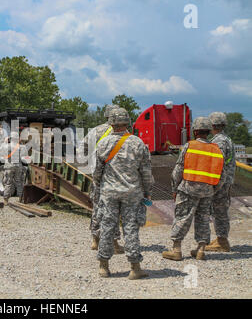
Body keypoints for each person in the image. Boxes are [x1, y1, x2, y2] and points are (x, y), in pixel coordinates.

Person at [93, 108, 153, 279]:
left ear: (111, 123)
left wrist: (99, 187)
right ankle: (135, 268)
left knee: (107, 228)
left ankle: (103, 267)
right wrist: (147, 192)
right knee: (131, 228)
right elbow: (146, 173)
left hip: (109, 193)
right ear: (128, 122)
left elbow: (97, 172)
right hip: (132, 193)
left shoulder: (103, 144)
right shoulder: (138, 143)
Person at [162, 117, 226, 261]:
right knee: (203, 219)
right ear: (209, 132)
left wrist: (175, 189)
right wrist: (213, 189)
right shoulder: (217, 149)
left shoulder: (189, 146)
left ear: (195, 131)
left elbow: (177, 171)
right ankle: (201, 250)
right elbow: (223, 176)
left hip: (188, 189)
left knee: (182, 218)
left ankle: (176, 250)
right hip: (207, 191)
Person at [80, 104, 124, 254]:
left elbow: (82, 148)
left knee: (98, 208)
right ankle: (115, 243)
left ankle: (95, 240)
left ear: (106, 115)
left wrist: (91, 162)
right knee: (115, 210)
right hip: (117, 177)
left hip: (98, 175)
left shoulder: (96, 130)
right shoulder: (124, 133)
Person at [205, 112, 236, 252]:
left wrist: (213, 183)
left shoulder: (219, 141)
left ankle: (222, 242)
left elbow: (218, 162)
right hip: (224, 180)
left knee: (220, 210)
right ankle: (220, 238)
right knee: (220, 210)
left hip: (220, 182)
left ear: (212, 125)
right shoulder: (225, 138)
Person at [0, 132, 28, 205]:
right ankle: (21, 199)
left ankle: (6, 200)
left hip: (9, 167)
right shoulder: (22, 147)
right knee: (19, 183)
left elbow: (1, 154)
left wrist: (4, 142)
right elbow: (23, 158)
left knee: (8, 183)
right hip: (18, 166)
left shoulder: (6, 146)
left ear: (10, 138)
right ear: (17, 139)